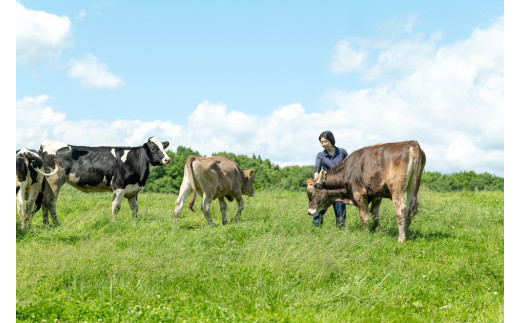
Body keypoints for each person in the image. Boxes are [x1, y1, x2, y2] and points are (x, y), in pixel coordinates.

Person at [312, 130, 349, 228]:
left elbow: (349, 167)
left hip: (339, 189)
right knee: (318, 212)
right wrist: (316, 174)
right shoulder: (321, 155)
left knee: (340, 215)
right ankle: (315, 231)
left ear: (331, 140)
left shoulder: (342, 152)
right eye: (321, 142)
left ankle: (340, 234)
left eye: (325, 141)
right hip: (325, 188)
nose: (323, 144)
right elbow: (317, 167)